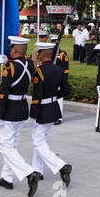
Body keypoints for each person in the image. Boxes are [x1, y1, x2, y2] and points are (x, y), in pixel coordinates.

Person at [0, 36, 42, 197]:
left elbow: (3, 92)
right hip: (21, 108)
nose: (9, 48)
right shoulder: (30, 65)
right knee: (12, 146)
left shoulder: (10, 67)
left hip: (9, 110)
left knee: (5, 147)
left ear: (14, 49)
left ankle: (29, 173)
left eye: (11, 46)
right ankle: (7, 178)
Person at [30, 42, 72, 187]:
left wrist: (34, 113)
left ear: (43, 54)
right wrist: (54, 96)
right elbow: (67, 90)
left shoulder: (39, 71)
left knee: (38, 141)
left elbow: (37, 93)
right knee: (40, 139)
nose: (37, 54)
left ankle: (61, 166)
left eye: (39, 52)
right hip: (53, 107)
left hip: (41, 109)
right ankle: (38, 170)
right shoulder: (59, 70)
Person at [50, 35, 69, 125]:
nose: (54, 43)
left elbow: (65, 69)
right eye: (52, 41)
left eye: (55, 41)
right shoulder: (49, 53)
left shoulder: (62, 54)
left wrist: (64, 81)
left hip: (59, 79)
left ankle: (59, 117)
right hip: (51, 79)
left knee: (59, 98)